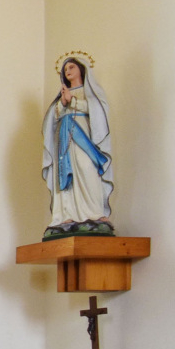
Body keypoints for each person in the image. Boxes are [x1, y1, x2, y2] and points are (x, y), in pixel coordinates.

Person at [42, 55, 114, 236]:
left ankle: (94, 212)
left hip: (84, 139)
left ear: (82, 69)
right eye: (66, 69)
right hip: (65, 141)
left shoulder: (91, 93)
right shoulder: (61, 97)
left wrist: (73, 101)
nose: (68, 71)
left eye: (72, 67)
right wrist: (63, 103)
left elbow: (99, 112)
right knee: (66, 173)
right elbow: (52, 118)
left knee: (87, 168)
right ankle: (67, 214)